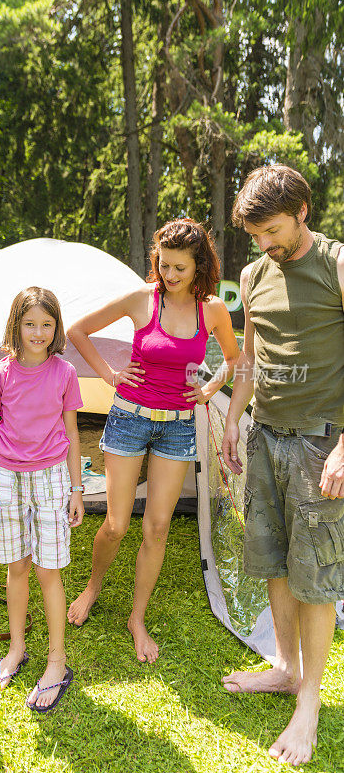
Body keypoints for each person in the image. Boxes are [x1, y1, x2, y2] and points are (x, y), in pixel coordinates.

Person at [67, 218, 240, 661]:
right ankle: (93, 587)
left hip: (179, 425)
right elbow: (77, 331)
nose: (170, 275)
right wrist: (108, 374)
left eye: (180, 268)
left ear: (200, 266)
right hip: (129, 418)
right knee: (117, 524)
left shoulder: (213, 310)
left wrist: (209, 387)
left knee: (157, 527)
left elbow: (237, 359)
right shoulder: (141, 300)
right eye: (164, 265)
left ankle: (137, 617)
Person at [221, 164, 344, 766]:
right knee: (272, 559)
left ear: (302, 212)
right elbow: (248, 356)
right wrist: (232, 417)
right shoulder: (250, 276)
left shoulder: (337, 265)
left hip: (322, 444)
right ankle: (287, 669)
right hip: (264, 436)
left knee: (314, 575)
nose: (265, 244)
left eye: (272, 230)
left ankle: (310, 703)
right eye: (256, 235)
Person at [0, 286, 84, 712]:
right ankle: (17, 649)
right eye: (30, 324)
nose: (38, 333)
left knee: (47, 571)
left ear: (56, 328)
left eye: (46, 324)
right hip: (5, 480)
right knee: (17, 568)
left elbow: (73, 434)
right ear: (15, 326)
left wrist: (77, 490)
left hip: (52, 479)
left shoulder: (65, 373)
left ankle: (56, 660)